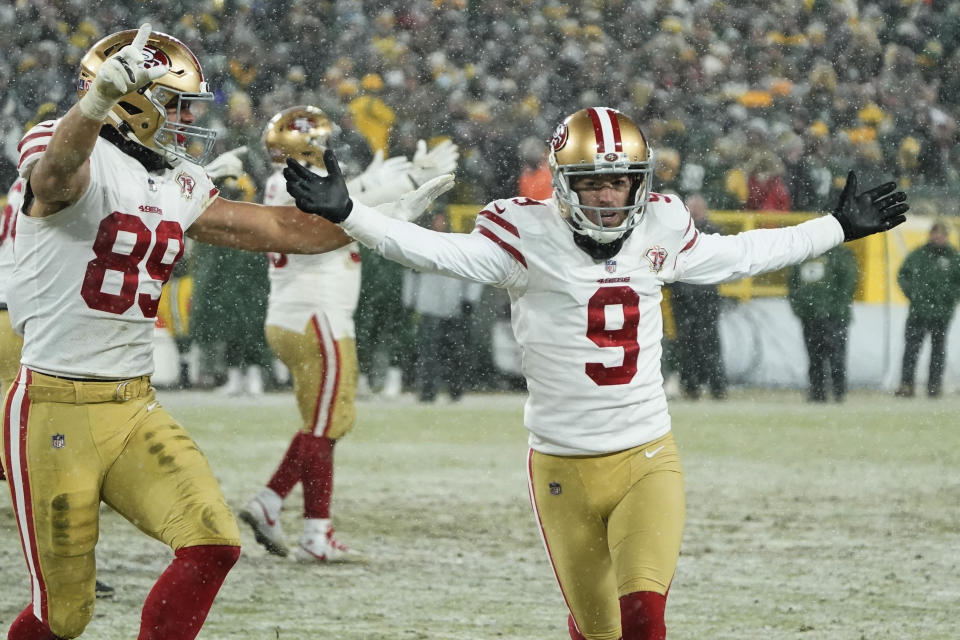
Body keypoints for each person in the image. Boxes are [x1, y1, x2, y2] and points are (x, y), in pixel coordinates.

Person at [283, 106, 908, 640]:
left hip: (646, 459)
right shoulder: (524, 236)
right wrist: (351, 216)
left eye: (621, 182)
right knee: (597, 632)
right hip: (560, 468)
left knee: (643, 619)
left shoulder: (662, 225)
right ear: (561, 185)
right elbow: (439, 252)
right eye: (593, 183)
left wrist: (837, 226)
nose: (610, 197)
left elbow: (742, 253)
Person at [0, 24, 441, 640]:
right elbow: (53, 182)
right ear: (131, 100)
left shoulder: (177, 180)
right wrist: (93, 105)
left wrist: (375, 221)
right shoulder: (65, 141)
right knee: (65, 613)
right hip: (53, 405)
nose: (186, 122)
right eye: (176, 105)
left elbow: (285, 231)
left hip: (133, 406)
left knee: (212, 543)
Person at [239, 105, 458, 560]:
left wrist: (382, 181)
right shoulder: (290, 183)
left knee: (322, 424)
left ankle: (270, 502)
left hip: (299, 314)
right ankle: (315, 533)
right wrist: (405, 183)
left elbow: (346, 196)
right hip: (316, 315)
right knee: (326, 426)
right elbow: (345, 205)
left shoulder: (281, 181)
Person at [1, 178, 118, 601]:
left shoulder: (32, 183)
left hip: (14, 310)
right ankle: (62, 570)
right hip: (28, 320)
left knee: (23, 446)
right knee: (48, 450)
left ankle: (62, 566)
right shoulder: (67, 183)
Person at [403, 212, 484, 403]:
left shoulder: (458, 245)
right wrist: (409, 301)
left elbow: (472, 273)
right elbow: (410, 274)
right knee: (428, 353)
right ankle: (427, 391)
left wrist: (469, 298)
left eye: (441, 220)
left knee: (455, 352)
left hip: (454, 306)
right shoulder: (421, 246)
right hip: (429, 306)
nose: (438, 224)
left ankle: (455, 390)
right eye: (435, 220)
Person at [667, 194, 727, 400]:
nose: (695, 212)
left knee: (707, 342)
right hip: (689, 295)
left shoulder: (681, 233)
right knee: (689, 343)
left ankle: (714, 386)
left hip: (701, 295)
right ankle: (693, 386)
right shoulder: (704, 233)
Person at [895, 220, 960, 398]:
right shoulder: (918, 254)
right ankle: (907, 385)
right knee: (911, 349)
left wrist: (949, 297)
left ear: (946, 236)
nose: (937, 236)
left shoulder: (954, 258)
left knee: (938, 351)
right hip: (918, 313)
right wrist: (914, 295)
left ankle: (934, 386)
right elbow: (902, 275)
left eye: (940, 233)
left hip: (942, 314)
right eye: (934, 233)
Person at [787, 245, 859, 402]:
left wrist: (832, 309)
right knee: (814, 357)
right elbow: (792, 284)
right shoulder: (803, 254)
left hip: (834, 317)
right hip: (810, 316)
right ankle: (817, 391)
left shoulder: (840, 255)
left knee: (836, 356)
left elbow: (848, 284)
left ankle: (838, 392)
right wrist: (801, 309)